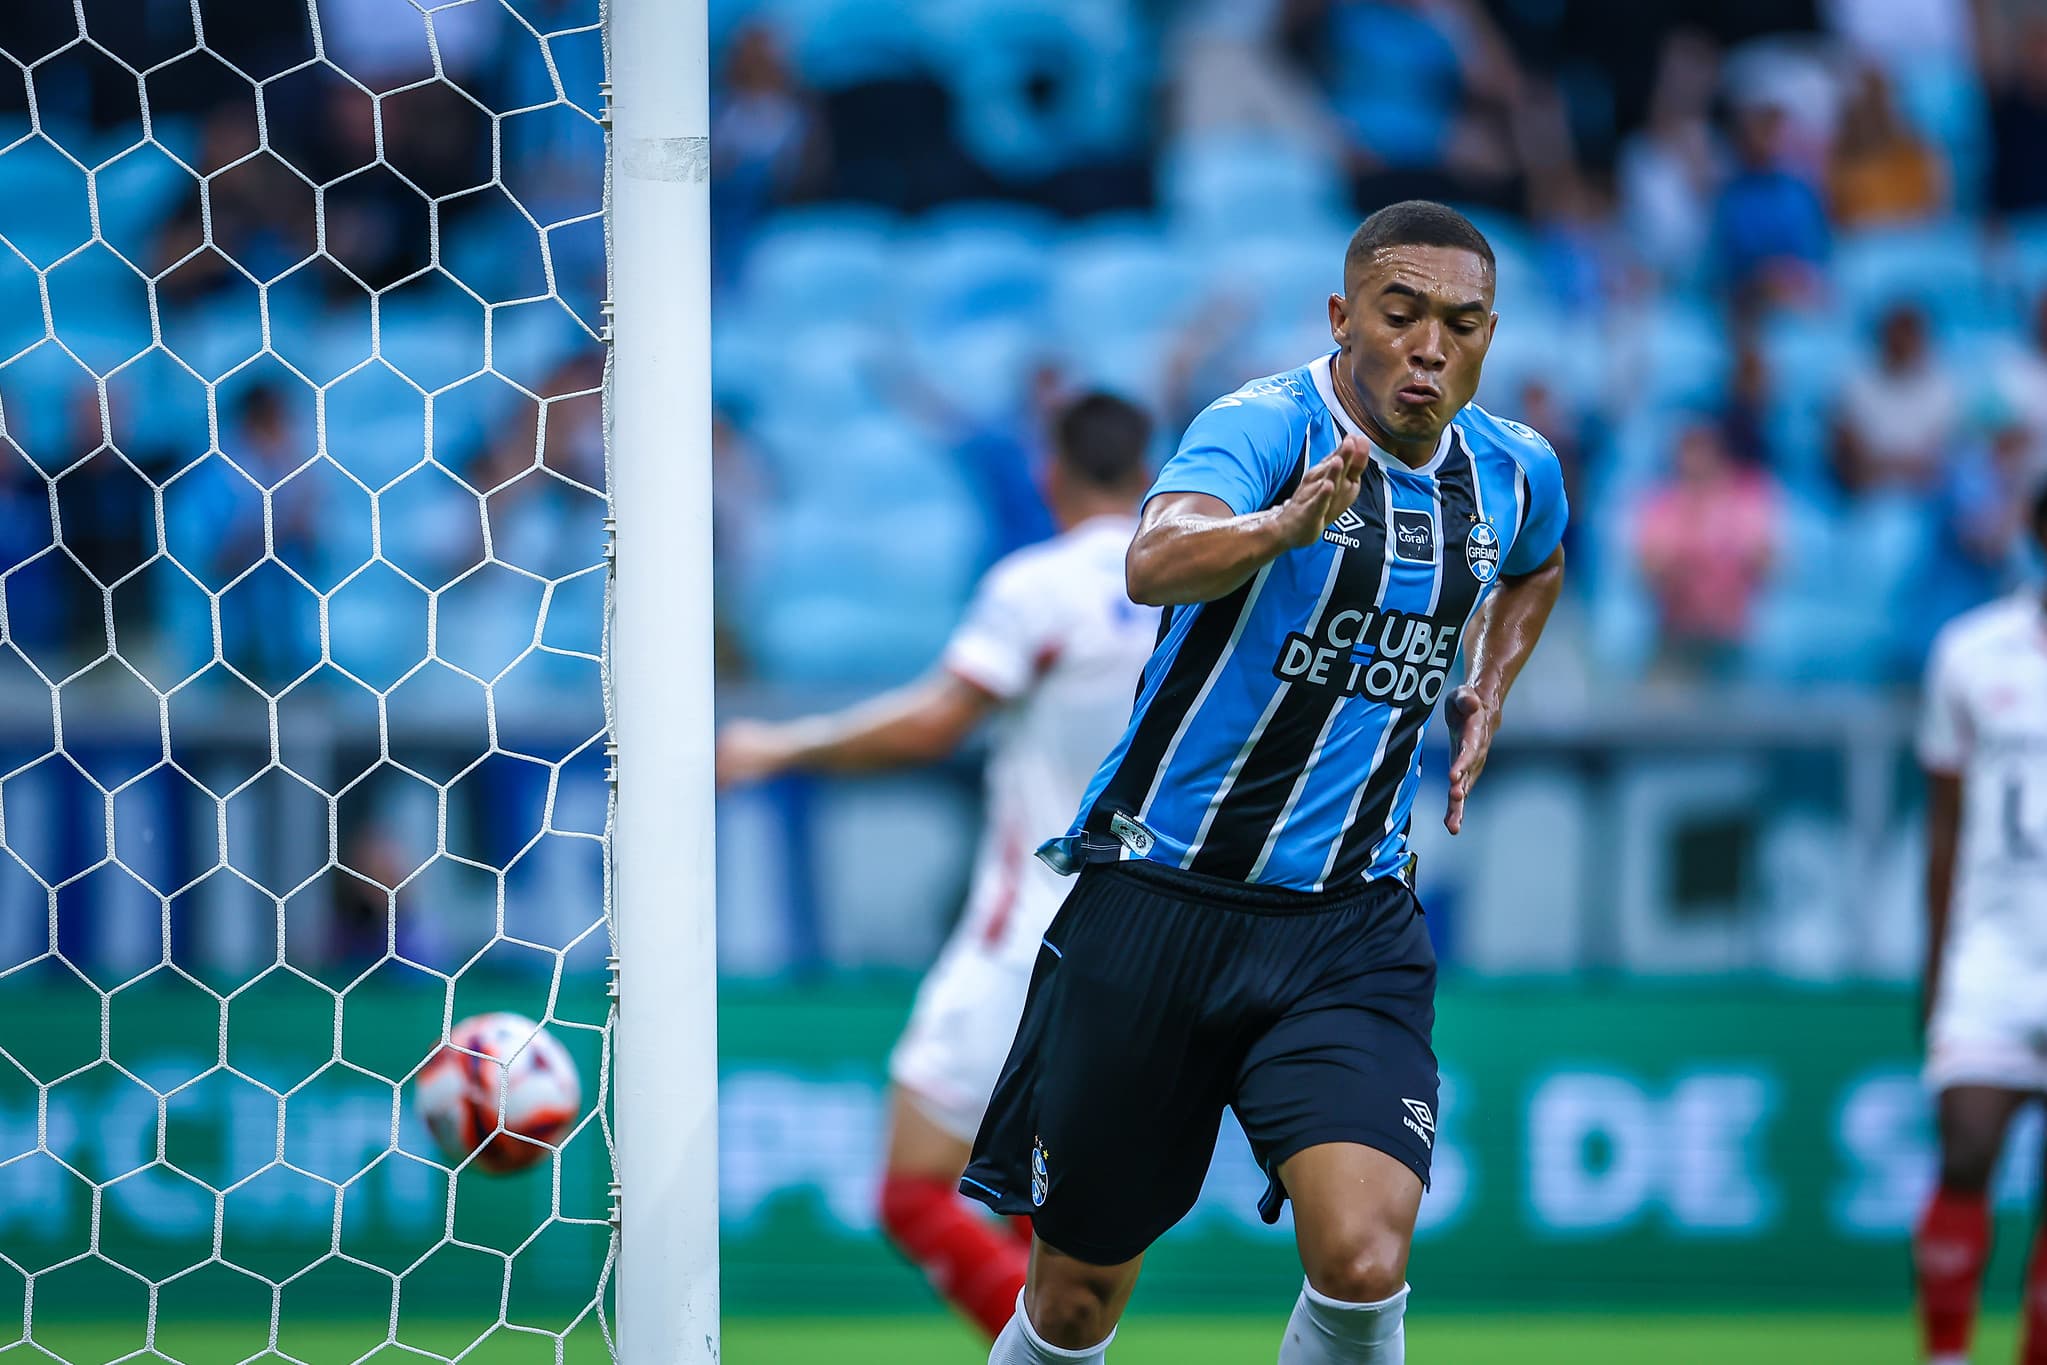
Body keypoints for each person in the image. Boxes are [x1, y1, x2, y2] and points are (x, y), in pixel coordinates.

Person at [962, 200, 1567, 1365]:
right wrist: (1280, 529)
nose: (1430, 346)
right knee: (1077, 1299)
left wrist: (1490, 679)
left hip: (1347, 924)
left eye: (1462, 323)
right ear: (1343, 317)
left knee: (1362, 1261)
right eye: (1401, 315)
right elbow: (1152, 559)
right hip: (1159, 905)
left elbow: (1539, 560)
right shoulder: (1260, 429)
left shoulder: (1511, 467)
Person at [713, 393, 1160, 1339]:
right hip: (1156, 944)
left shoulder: (1038, 586)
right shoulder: (1199, 587)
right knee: (1044, 1202)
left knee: (913, 1184)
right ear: (1150, 473)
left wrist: (780, 749)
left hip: (1032, 930)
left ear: (1050, 475)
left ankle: (1053, 1357)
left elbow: (934, 721)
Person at [1914, 481, 2047, 1365]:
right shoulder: (1970, 652)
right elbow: (1946, 822)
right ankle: (1948, 1352)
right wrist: (1933, 968)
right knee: (1967, 1145)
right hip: (1993, 952)